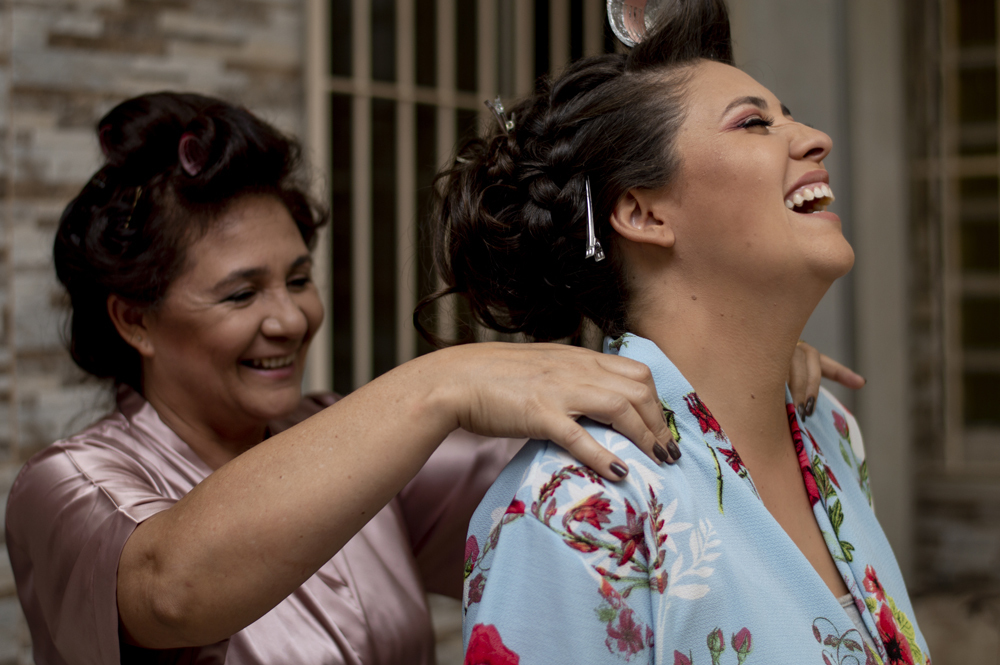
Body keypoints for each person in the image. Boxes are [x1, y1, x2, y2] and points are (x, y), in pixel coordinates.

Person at [4, 92, 856, 664]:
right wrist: (441, 382)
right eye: (241, 292)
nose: (289, 318)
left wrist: (727, 369)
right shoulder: (67, 486)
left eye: (299, 278)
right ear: (135, 320)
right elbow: (170, 587)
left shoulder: (350, 441)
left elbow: (590, 473)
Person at [439, 2, 928, 663]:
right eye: (755, 123)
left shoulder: (830, 431)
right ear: (642, 211)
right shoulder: (581, 506)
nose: (815, 137)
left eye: (788, 115)